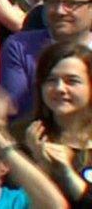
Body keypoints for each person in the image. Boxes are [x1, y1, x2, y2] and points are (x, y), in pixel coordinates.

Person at [0, 0, 92, 119]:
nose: (60, 11)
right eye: (53, 2)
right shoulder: (20, 47)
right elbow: (15, 111)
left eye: (71, 4)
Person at [24, 42, 92, 205]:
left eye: (72, 81)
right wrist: (40, 164)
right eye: (51, 80)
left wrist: (66, 173)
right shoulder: (23, 137)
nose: (60, 88)